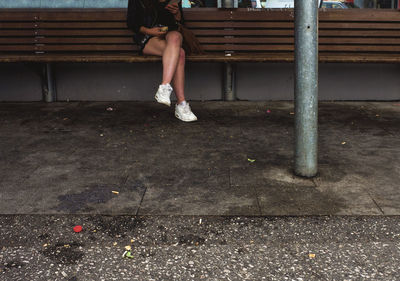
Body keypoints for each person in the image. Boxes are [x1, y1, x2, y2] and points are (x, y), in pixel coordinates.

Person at [127, 0, 198, 122]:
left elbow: (181, 23)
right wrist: (150, 31)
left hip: (170, 34)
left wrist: (176, 14)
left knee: (175, 38)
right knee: (180, 53)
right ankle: (181, 104)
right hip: (149, 37)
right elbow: (132, 23)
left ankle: (164, 86)